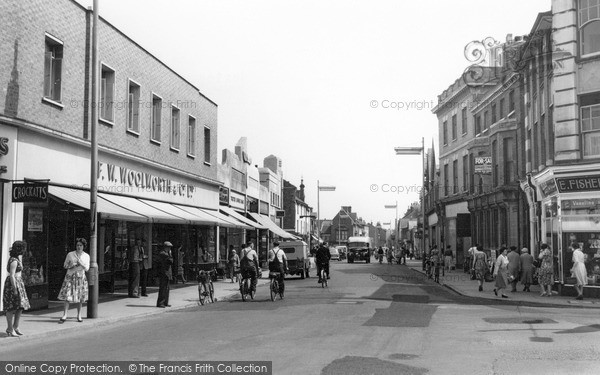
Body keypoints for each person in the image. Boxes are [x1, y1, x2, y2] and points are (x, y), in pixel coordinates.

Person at [58, 238, 90, 322]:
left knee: (80, 297)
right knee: (67, 296)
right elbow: (65, 265)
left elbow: (87, 268)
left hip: (80, 277)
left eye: (80, 245)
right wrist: (71, 265)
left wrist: (81, 263)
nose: (79, 247)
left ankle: (79, 315)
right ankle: (65, 315)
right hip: (71, 276)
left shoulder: (86, 256)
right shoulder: (70, 254)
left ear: (83, 246)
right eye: (77, 245)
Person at [4, 241, 30, 337]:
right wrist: (15, 289)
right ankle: (10, 328)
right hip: (13, 284)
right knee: (11, 307)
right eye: (23, 248)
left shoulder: (17, 259)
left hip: (19, 283)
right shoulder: (14, 260)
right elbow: (12, 275)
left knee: (20, 306)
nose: (24, 251)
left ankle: (16, 326)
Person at [156, 241, 174, 308]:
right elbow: (171, 261)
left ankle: (165, 302)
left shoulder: (166, 253)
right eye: (169, 247)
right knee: (163, 288)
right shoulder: (163, 254)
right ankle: (161, 303)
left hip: (167, 272)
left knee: (167, 288)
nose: (169, 249)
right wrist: (170, 255)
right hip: (164, 272)